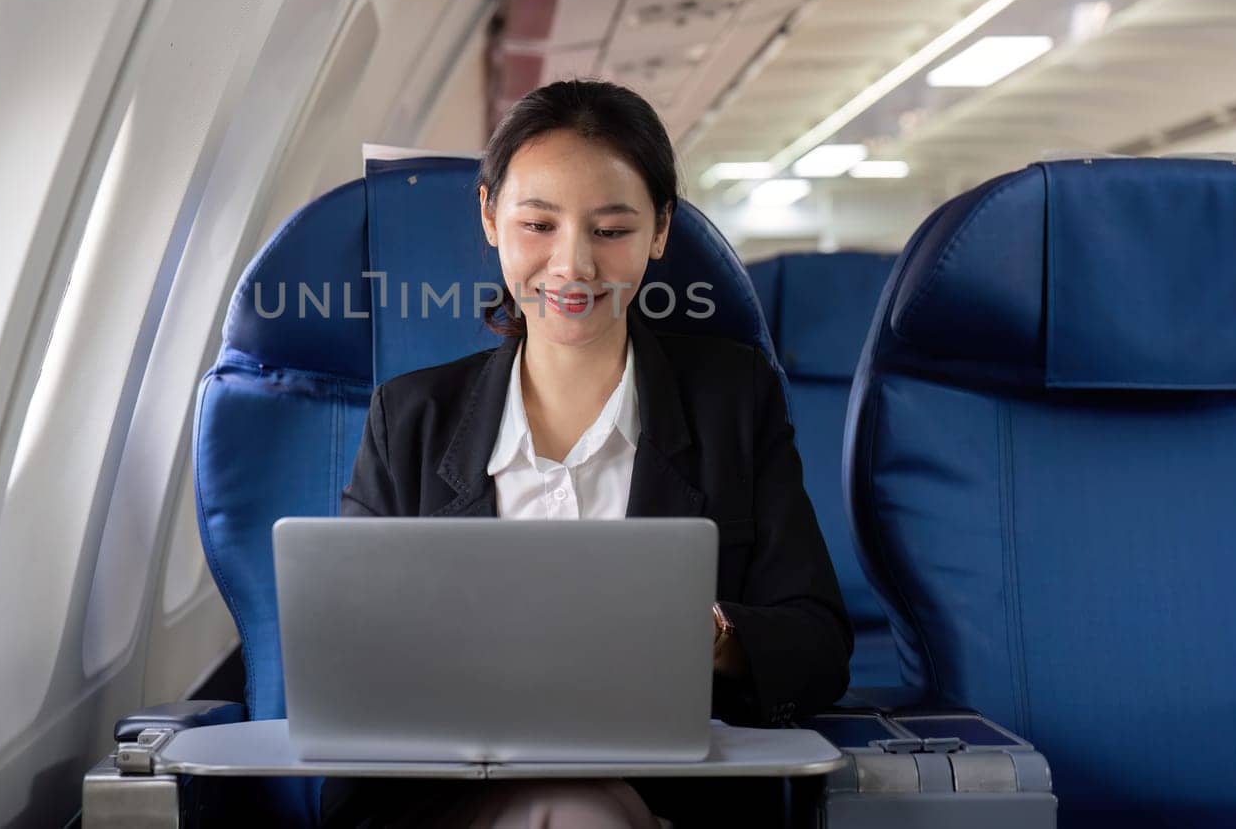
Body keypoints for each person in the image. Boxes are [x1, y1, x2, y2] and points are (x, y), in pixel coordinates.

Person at [324, 80, 852, 827]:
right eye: (538, 224)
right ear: (489, 216)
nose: (571, 265)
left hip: (671, 792)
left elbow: (820, 645)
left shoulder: (732, 400)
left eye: (610, 231)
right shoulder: (409, 419)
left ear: (660, 230)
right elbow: (349, 656)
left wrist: (713, 640)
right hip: (447, 792)